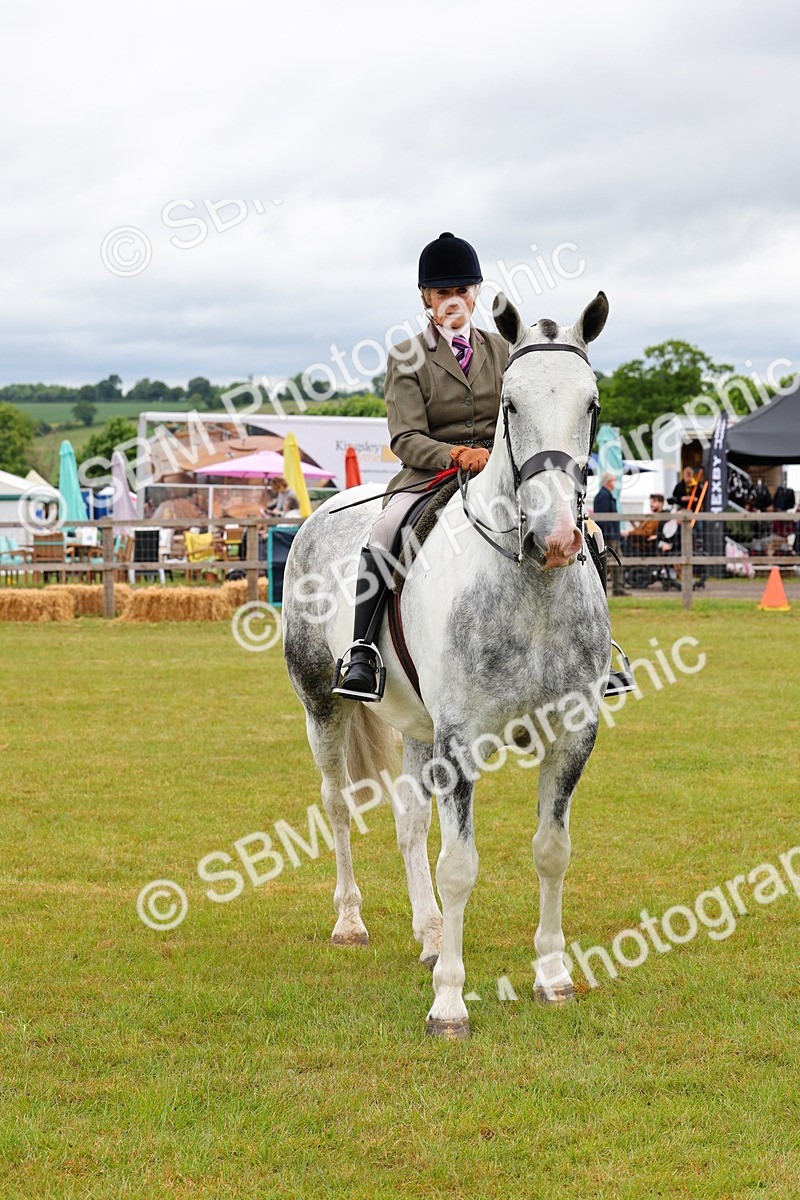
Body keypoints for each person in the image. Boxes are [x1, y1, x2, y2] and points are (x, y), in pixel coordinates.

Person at [332, 231, 508, 701]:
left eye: (462, 291)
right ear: (427, 298)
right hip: (430, 476)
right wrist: (455, 455)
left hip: (496, 472)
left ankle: (596, 650)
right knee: (385, 531)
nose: (454, 300)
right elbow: (404, 438)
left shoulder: (504, 351)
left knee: (574, 523)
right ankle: (363, 652)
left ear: (476, 293)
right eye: (443, 293)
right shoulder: (406, 356)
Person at [592, 472, 627, 596]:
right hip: (609, 536)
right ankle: (617, 588)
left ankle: (614, 587)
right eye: (613, 480)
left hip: (610, 534)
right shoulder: (604, 496)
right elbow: (604, 519)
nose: (615, 483)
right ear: (608, 482)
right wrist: (610, 535)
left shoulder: (604, 495)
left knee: (609, 562)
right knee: (615, 560)